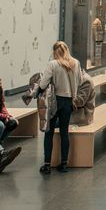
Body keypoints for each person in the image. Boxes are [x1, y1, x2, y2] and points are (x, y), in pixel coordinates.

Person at [38, 41, 84, 174]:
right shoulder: (75, 63)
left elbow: (43, 84)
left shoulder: (53, 64)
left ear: (54, 51)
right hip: (68, 101)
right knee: (64, 132)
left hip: (54, 101)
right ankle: (64, 164)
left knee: (49, 132)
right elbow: (80, 81)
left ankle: (47, 165)